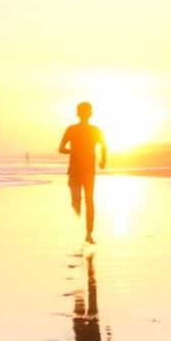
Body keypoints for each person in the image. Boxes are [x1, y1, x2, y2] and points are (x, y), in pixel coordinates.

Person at [58, 102, 107, 243]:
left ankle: (89, 234)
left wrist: (103, 159)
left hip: (84, 170)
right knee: (86, 201)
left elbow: (61, 149)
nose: (85, 115)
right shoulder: (77, 129)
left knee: (88, 201)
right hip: (81, 170)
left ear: (79, 113)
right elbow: (61, 148)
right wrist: (103, 160)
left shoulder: (86, 130)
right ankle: (89, 233)